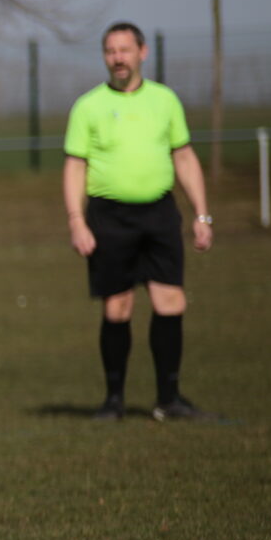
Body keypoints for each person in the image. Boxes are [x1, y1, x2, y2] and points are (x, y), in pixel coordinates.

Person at [62, 22, 215, 422]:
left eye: (125, 50)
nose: (118, 58)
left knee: (171, 301)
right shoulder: (88, 106)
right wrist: (77, 221)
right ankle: (113, 400)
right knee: (118, 306)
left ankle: (169, 399)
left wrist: (201, 215)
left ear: (142, 52)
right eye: (111, 51)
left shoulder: (165, 101)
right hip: (109, 217)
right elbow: (75, 166)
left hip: (159, 214)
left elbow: (184, 157)